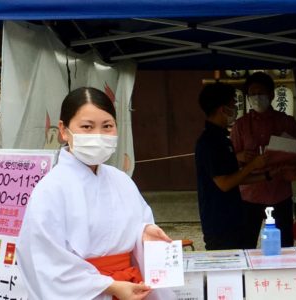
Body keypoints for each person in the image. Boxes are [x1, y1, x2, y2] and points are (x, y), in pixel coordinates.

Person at [17, 87, 176, 300]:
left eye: (107, 126)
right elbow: (46, 260)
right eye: (87, 127)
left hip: (130, 288)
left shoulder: (121, 180)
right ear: (63, 130)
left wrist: (143, 234)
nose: (98, 136)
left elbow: (130, 229)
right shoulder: (50, 189)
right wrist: (108, 286)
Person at [231, 72, 296, 247]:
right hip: (249, 195)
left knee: (284, 246)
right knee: (246, 245)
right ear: (248, 98)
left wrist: (295, 169)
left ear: (272, 95)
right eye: (252, 94)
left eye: (261, 93)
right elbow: (229, 162)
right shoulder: (240, 125)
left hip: (279, 192)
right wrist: (240, 156)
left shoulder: (287, 122)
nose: (257, 98)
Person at [195, 82, 273, 250]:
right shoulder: (210, 141)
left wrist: (268, 175)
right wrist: (253, 165)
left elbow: (236, 177)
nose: (235, 109)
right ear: (223, 109)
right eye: (233, 105)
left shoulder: (223, 139)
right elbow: (224, 183)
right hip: (219, 221)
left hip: (233, 216)